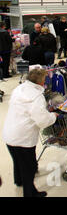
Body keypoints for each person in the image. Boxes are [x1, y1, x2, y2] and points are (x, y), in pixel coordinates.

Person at [2, 68, 58, 197]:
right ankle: (30, 193)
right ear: (40, 81)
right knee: (30, 167)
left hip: (10, 133)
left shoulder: (19, 89)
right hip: (24, 137)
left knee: (17, 160)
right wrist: (53, 116)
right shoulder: (36, 97)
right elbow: (42, 120)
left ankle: (19, 181)